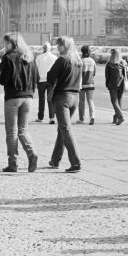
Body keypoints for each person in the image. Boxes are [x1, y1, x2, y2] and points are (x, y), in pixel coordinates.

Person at [0, 32, 38, 173]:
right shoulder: (30, 57)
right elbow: (36, 77)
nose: (5, 45)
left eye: (7, 43)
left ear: (13, 43)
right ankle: (32, 154)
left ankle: (13, 164)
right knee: (23, 130)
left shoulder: (8, 58)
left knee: (11, 132)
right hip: (28, 97)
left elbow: (3, 80)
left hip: (13, 97)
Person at [46, 36, 82, 172]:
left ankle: (76, 163)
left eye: (59, 45)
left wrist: (55, 80)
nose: (57, 48)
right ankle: (55, 160)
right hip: (75, 97)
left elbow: (50, 76)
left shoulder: (62, 59)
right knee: (62, 129)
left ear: (65, 46)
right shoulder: (78, 61)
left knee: (66, 129)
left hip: (63, 97)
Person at [104, 49, 128, 126]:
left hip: (112, 85)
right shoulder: (123, 63)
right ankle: (116, 118)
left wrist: (107, 84)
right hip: (121, 84)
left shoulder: (109, 64)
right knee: (119, 101)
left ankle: (120, 116)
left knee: (114, 101)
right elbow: (126, 74)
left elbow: (107, 76)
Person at [35, 43, 57, 124]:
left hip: (41, 80)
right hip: (51, 81)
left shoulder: (39, 57)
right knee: (50, 99)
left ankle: (40, 117)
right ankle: (52, 117)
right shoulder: (54, 57)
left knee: (41, 99)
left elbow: (35, 69)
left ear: (43, 48)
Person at [78, 45, 97, 125]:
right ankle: (92, 116)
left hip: (81, 84)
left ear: (82, 52)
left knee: (81, 101)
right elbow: (94, 72)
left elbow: (77, 73)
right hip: (90, 84)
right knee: (90, 100)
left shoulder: (80, 61)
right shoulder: (92, 61)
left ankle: (81, 118)